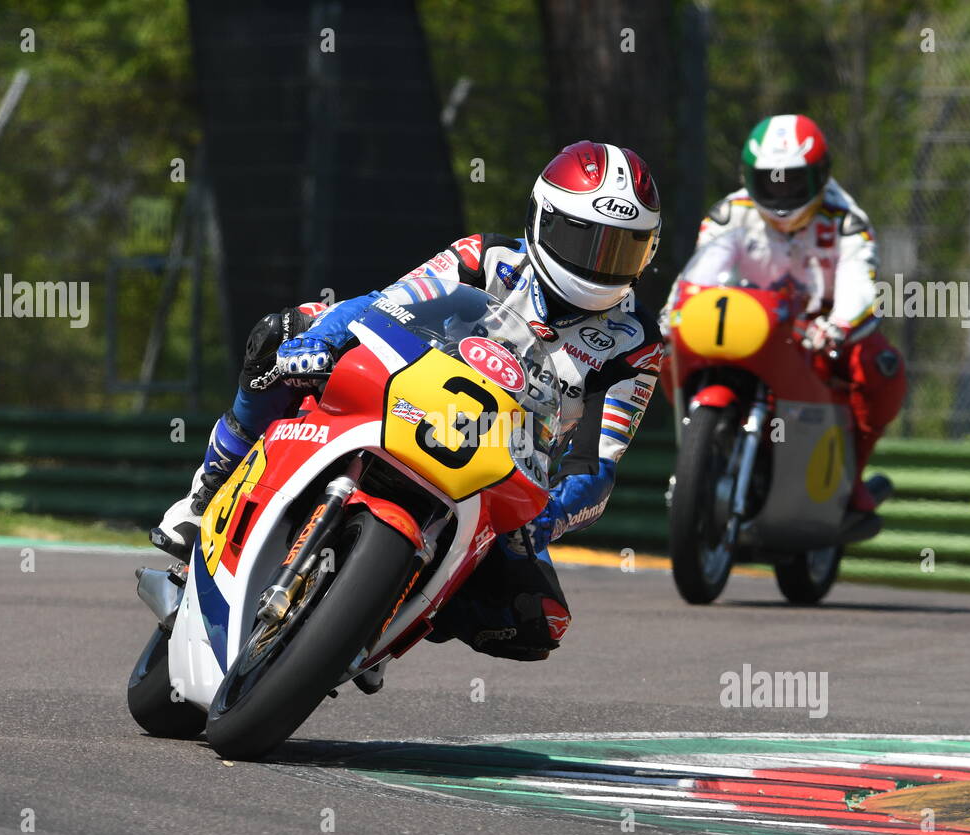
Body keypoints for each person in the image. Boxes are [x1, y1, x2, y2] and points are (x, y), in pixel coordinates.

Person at [152, 141, 664, 661]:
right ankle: (208, 489)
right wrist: (320, 342)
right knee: (279, 334)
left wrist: (549, 516)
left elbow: (596, 463)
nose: (601, 265)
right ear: (544, 218)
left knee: (534, 621)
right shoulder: (485, 257)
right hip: (402, 397)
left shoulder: (637, 341)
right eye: (588, 243)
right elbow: (384, 305)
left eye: (623, 249)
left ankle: (380, 619)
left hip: (500, 467)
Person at [660, 114, 906, 511]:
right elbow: (700, 271)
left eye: (791, 180)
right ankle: (705, 444)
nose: (780, 193)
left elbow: (858, 279)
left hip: (817, 330)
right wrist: (673, 313)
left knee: (882, 365)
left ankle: (849, 477)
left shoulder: (846, 221)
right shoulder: (730, 213)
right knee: (667, 351)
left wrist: (839, 324)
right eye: (769, 179)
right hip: (745, 325)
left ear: (820, 175)